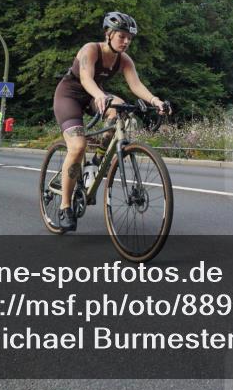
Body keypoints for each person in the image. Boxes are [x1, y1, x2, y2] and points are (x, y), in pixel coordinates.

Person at [52, 12, 167, 232]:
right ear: (108, 33)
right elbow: (85, 77)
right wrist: (99, 95)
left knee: (120, 108)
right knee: (77, 146)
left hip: (96, 96)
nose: (126, 41)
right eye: (122, 36)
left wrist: (155, 101)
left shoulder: (124, 60)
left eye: (129, 38)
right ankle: (65, 206)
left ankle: (97, 160)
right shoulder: (90, 50)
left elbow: (136, 85)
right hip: (69, 96)